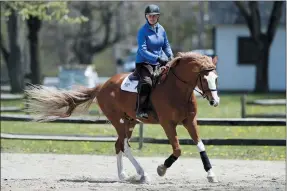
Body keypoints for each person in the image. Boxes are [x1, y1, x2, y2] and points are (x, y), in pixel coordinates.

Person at [135, 4, 174, 119]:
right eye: (149, 16)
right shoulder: (142, 31)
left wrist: (170, 55)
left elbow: (166, 45)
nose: (152, 18)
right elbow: (142, 50)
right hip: (144, 63)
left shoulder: (161, 29)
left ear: (158, 17)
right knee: (147, 83)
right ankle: (141, 109)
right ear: (146, 17)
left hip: (159, 62)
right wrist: (157, 58)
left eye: (154, 16)